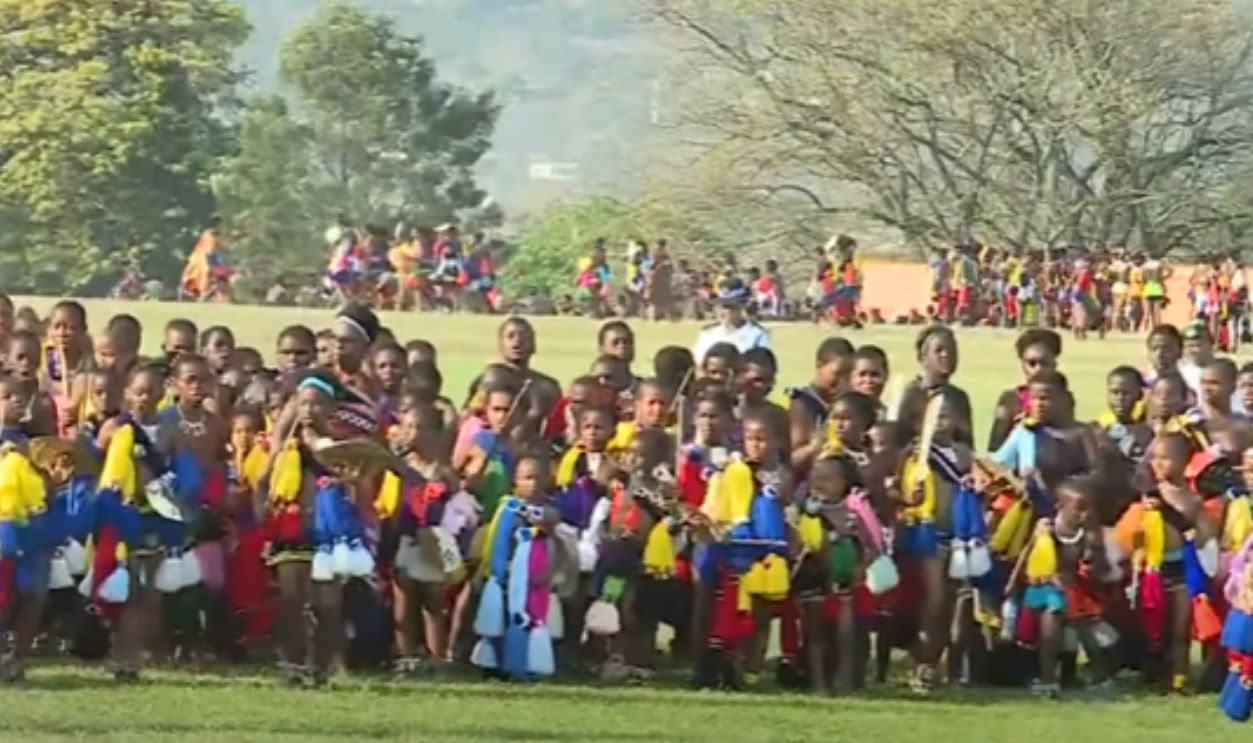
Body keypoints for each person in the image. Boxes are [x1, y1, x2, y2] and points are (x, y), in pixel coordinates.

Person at [692, 278, 770, 364]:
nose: (722, 312)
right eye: (719, 306)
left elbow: (761, 366)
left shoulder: (756, 335)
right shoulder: (708, 333)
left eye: (728, 307)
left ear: (741, 306)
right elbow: (698, 362)